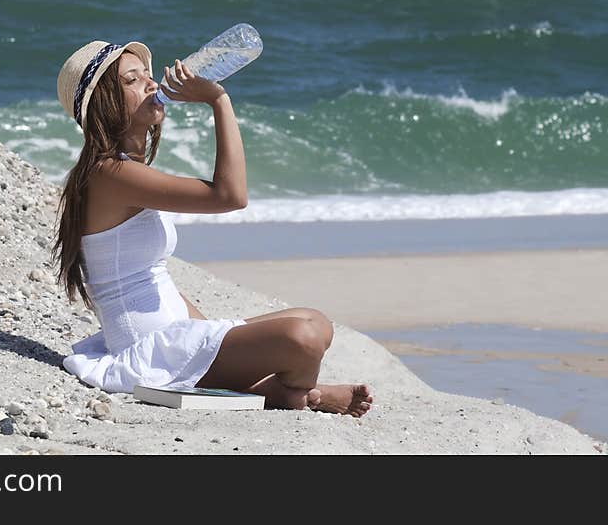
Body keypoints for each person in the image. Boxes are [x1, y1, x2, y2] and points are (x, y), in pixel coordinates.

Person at [52, 38, 372, 416]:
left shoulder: (122, 170)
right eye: (132, 80)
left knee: (315, 321)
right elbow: (230, 196)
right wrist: (218, 100)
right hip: (150, 352)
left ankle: (284, 392)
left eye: (149, 76)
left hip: (175, 340)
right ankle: (295, 395)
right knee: (304, 337)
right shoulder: (108, 174)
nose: (152, 85)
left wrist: (211, 336)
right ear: (104, 103)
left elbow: (154, 278)